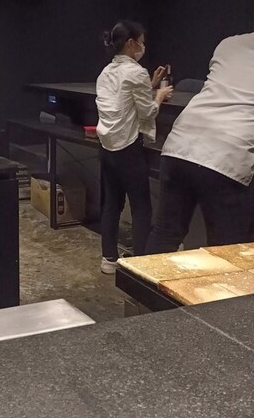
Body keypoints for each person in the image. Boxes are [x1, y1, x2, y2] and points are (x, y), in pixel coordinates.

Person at [146, 32, 254, 254]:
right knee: (227, 250)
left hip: (180, 144)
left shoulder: (229, 43)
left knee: (165, 234)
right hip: (227, 155)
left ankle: (143, 278)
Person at [95, 20, 173, 274]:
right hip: (128, 148)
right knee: (141, 207)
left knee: (112, 204)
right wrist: (158, 96)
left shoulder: (106, 72)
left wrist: (150, 84)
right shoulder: (136, 72)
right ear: (131, 43)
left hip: (107, 147)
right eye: (141, 42)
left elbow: (123, 99)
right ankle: (139, 265)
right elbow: (147, 111)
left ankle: (109, 259)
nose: (143, 46)